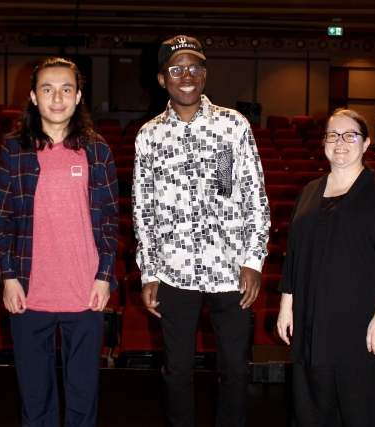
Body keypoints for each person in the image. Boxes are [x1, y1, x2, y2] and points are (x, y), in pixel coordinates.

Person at [132, 35, 270, 427]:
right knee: (176, 372)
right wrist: (150, 272)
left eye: (194, 67)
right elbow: (143, 211)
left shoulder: (233, 126)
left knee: (236, 370)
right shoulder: (149, 136)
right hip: (174, 273)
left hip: (230, 272)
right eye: (176, 69)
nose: (186, 76)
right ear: (162, 79)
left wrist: (253, 261)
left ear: (205, 73)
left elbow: (254, 199)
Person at [0, 57, 118, 427]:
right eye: (47, 89)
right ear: (33, 96)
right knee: (36, 402)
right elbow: (1, 220)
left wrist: (104, 276)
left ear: (78, 97)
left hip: (84, 292)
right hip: (29, 293)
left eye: (66, 89)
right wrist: (9, 277)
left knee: (82, 401)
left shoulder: (97, 151)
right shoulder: (13, 149)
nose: (57, 97)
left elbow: (110, 220)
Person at [276, 109, 375, 427]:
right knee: (314, 409)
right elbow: (295, 254)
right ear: (324, 142)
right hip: (315, 326)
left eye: (350, 135)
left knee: (363, 411)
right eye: (332, 135)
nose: (340, 142)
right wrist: (287, 306)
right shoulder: (309, 193)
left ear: (366, 144)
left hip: (364, 328)